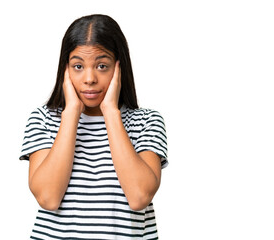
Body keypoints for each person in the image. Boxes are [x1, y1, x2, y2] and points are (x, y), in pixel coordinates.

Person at [19, 14, 168, 239]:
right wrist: (70, 114)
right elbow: (48, 198)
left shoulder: (147, 121)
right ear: (65, 69)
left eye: (102, 65)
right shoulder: (43, 119)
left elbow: (139, 197)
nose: (89, 78)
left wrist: (111, 112)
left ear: (119, 68)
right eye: (78, 66)